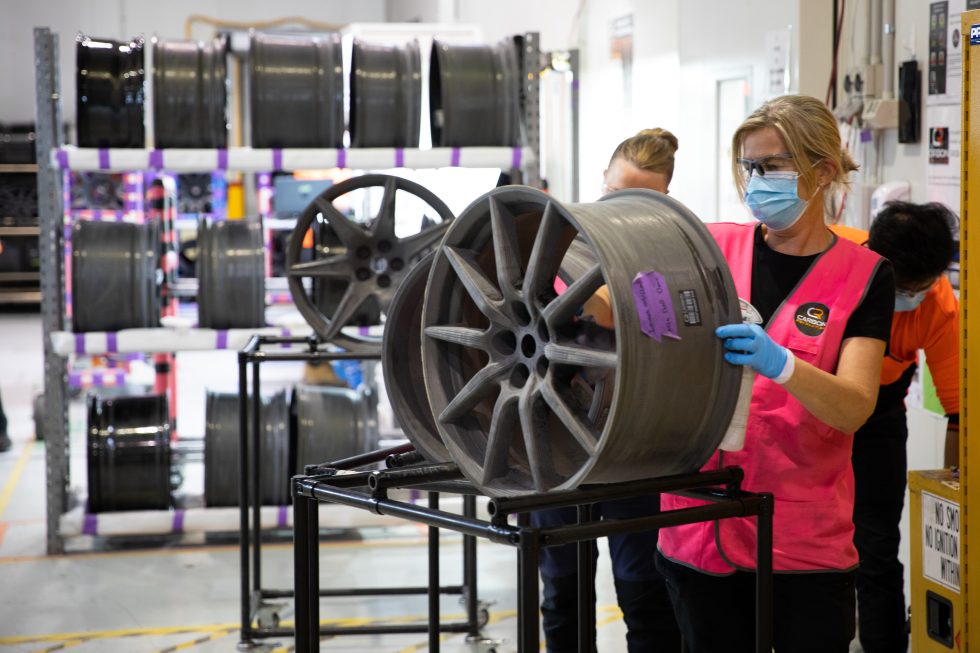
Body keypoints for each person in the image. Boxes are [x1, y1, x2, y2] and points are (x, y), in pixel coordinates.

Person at [656, 95, 895, 652]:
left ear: (823, 171)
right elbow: (628, 303)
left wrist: (781, 364)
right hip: (699, 529)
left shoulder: (863, 277)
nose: (756, 181)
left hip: (800, 544)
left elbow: (855, 406)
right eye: (749, 167)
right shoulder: (711, 249)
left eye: (773, 166)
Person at [531, 128, 683, 653]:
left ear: (664, 199)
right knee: (562, 595)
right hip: (558, 440)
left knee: (644, 593)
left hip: (634, 444)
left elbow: (670, 344)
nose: (621, 209)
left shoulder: (669, 263)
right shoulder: (552, 247)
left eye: (641, 199)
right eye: (615, 194)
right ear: (602, 182)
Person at [831, 203, 959, 653]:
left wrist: (953, 493)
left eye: (924, 286)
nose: (916, 295)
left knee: (877, 542)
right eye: (906, 288)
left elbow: (958, 411)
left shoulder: (937, 303)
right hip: (812, 401)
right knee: (799, 533)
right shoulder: (829, 261)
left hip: (880, 413)